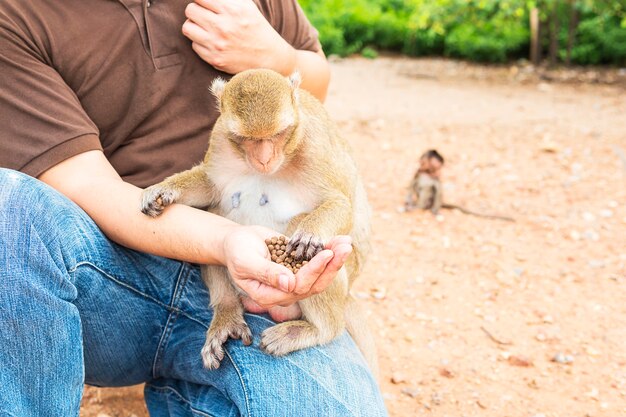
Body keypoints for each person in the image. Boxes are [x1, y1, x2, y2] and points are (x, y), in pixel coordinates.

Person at [0, 0, 387, 416]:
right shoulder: (17, 15)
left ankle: (202, 388)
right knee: (10, 203)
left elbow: (315, 87)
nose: (262, 157)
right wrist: (223, 241)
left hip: (263, 277)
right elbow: (84, 184)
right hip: (107, 272)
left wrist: (276, 57)